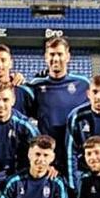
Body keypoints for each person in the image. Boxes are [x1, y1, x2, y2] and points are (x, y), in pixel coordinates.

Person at [26, 36, 90, 179]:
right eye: (52, 54)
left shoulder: (83, 84)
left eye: (60, 54)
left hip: (76, 158)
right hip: (47, 159)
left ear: (68, 56)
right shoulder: (36, 86)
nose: (56, 58)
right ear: (45, 57)